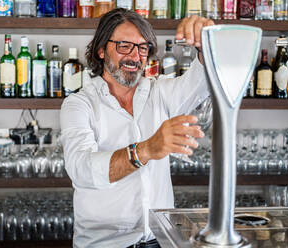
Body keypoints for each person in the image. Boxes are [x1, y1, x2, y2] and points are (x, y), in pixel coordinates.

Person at [60, 8, 215, 248]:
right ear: (101, 50)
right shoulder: (79, 104)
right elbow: (82, 169)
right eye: (124, 46)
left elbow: (201, 82)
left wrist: (205, 45)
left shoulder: (159, 92)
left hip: (161, 240)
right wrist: (146, 150)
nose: (135, 56)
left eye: (143, 48)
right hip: (105, 244)